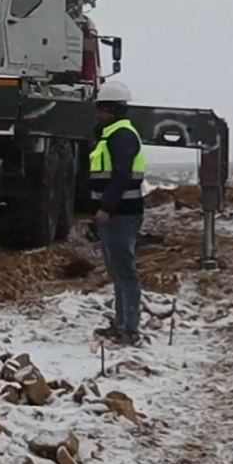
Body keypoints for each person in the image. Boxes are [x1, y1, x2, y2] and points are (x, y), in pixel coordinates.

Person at [89, 77, 146, 345]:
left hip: (121, 214)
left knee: (124, 272)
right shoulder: (113, 134)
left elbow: (121, 175)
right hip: (117, 213)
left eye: (100, 107)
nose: (97, 112)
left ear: (109, 109)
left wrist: (106, 208)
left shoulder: (121, 136)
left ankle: (129, 329)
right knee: (118, 272)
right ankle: (122, 323)